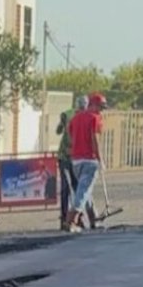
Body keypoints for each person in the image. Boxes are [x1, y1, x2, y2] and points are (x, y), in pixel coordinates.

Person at [65, 92, 107, 232]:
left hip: (76, 161)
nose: (101, 110)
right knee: (83, 191)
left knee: (85, 189)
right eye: (100, 107)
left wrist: (77, 145)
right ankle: (72, 220)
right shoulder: (95, 118)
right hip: (90, 160)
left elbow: (70, 134)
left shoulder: (75, 118)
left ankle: (93, 218)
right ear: (92, 105)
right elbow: (95, 139)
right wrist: (100, 159)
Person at [56, 95, 96, 230]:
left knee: (78, 188)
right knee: (68, 188)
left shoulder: (87, 116)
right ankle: (66, 219)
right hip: (66, 156)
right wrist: (62, 124)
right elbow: (59, 131)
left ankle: (79, 219)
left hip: (76, 157)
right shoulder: (68, 115)